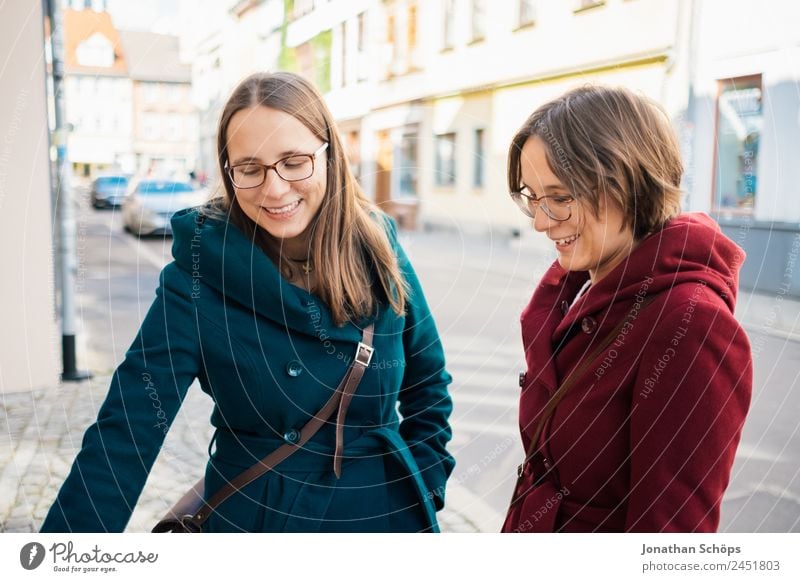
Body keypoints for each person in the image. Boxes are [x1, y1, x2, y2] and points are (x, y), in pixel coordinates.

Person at [41, 72, 454, 533]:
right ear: (227, 170)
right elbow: (130, 425)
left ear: (330, 156)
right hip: (262, 520)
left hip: (386, 519)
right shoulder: (199, 274)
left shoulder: (377, 243)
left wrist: (426, 484)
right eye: (250, 168)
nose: (274, 190)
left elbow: (428, 380)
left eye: (294, 162)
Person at [501, 85, 752, 533]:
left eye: (560, 197)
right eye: (532, 197)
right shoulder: (580, 289)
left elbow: (671, 534)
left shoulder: (691, 322)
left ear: (628, 183)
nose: (540, 221)